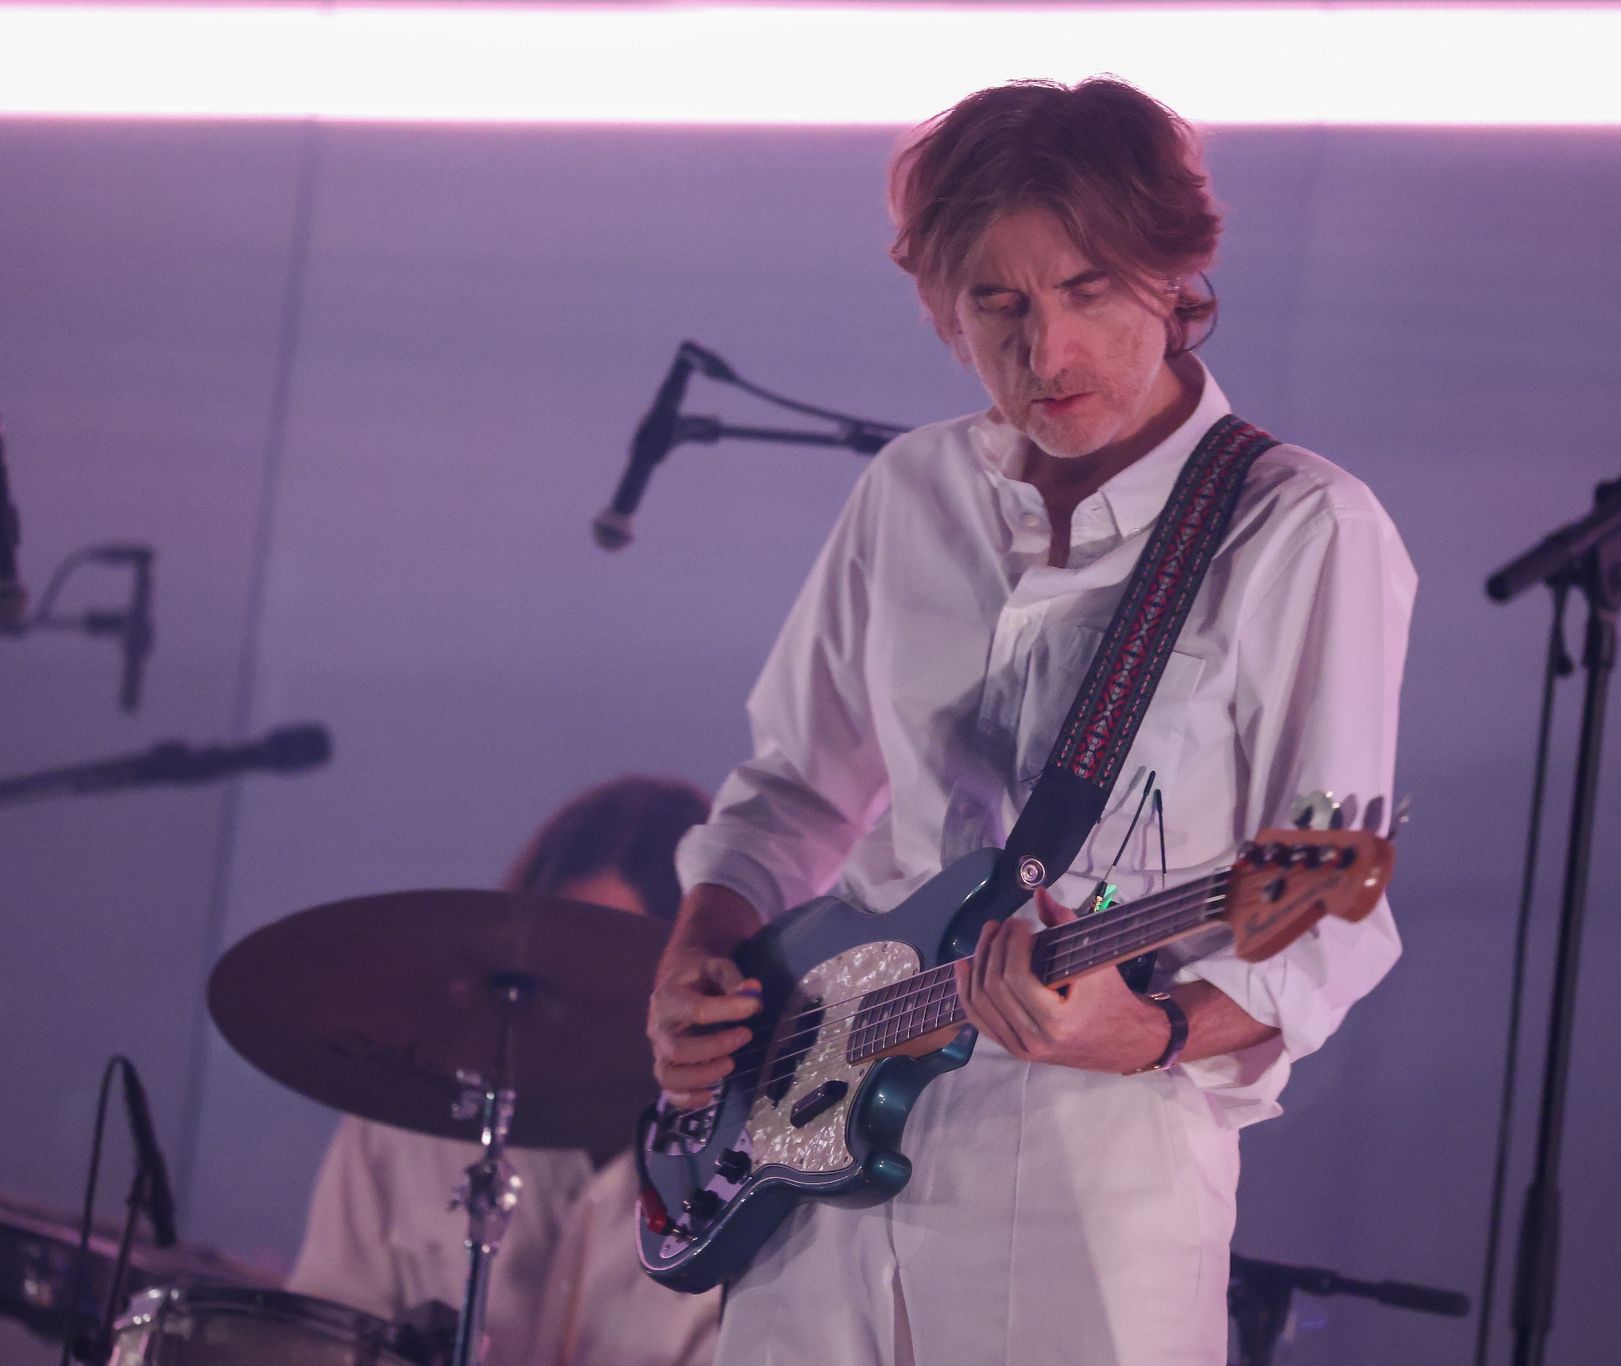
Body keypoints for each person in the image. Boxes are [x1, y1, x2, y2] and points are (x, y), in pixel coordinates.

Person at [648, 77, 1416, 1366]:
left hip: (1091, 1165)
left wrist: (1153, 1029)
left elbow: (1330, 916)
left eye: (1087, 290)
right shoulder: (909, 491)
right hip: (807, 1152)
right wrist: (697, 960)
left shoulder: (1300, 528)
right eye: (995, 303)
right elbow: (788, 793)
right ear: (941, 308)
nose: (1042, 351)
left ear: (1174, 281)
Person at [291, 775, 721, 1366]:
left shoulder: (740, 1173)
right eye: (558, 960)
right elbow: (321, 1333)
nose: (581, 999)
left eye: (616, 971)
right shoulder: (402, 1122)